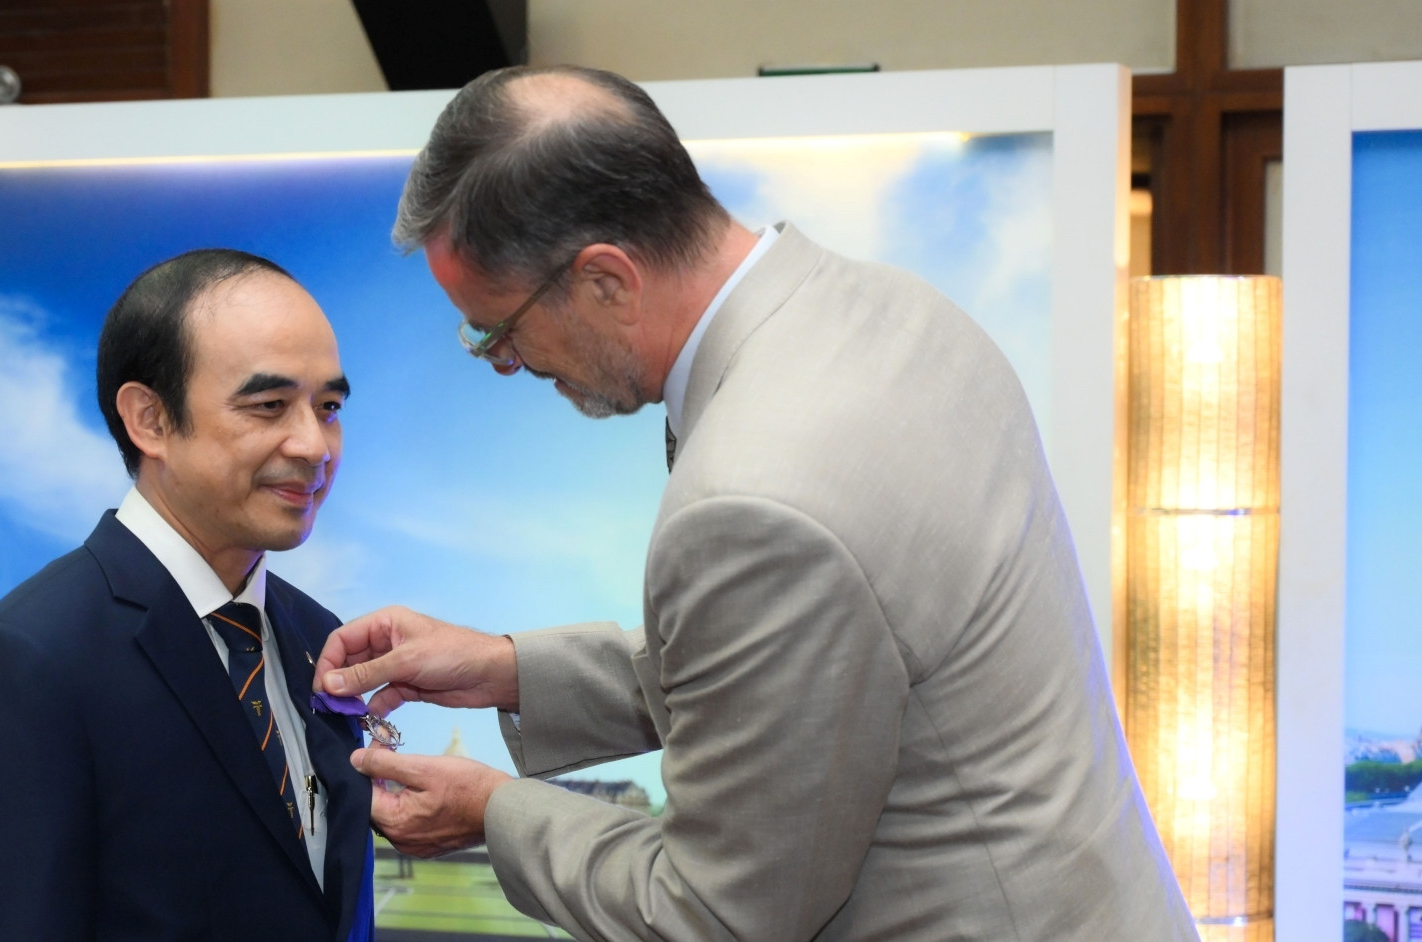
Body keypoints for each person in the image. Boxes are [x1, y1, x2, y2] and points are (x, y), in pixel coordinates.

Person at [315, 65, 1198, 941]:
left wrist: (494, 813)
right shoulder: (892, 310)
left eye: (498, 331)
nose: (510, 365)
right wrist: (508, 670)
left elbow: (714, 914)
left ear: (605, 281)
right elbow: (811, 666)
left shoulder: (751, 502)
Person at [0, 249, 374, 942]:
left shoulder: (316, 634)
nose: (315, 444)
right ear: (150, 420)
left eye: (329, 406)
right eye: (270, 405)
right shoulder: (24, 665)